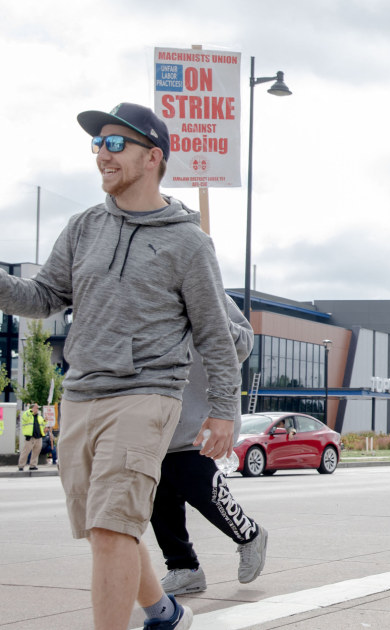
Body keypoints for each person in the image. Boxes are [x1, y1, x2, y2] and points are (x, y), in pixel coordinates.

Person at [0, 102, 242, 630]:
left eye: (115, 144)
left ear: (153, 156)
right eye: (97, 144)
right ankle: (164, 611)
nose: (101, 155)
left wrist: (225, 409)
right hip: (82, 392)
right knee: (105, 527)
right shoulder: (84, 226)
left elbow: (215, 335)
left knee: (112, 529)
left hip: (147, 393)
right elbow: (43, 297)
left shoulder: (189, 243)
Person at [152, 296, 267, 596]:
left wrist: (210, 319)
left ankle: (249, 534)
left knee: (199, 485)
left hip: (202, 415)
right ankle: (183, 567)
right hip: (159, 418)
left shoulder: (206, 289)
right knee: (159, 496)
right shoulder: (144, 289)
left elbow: (244, 343)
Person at [18, 403, 47, 471]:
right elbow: (25, 417)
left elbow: (42, 425)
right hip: (30, 437)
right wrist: (31, 410)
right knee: (26, 451)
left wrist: (45, 421)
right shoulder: (27, 414)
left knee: (36, 452)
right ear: (32, 408)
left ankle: (33, 465)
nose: (37, 409)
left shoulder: (39, 417)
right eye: (36, 408)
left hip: (38, 436)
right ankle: (21, 465)